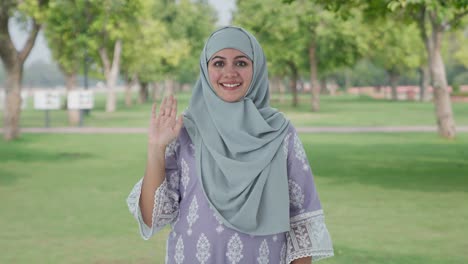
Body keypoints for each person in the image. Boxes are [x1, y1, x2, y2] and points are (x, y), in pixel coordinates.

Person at [127, 26, 334, 264]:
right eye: (218, 63)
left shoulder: (280, 133)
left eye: (241, 63)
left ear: (256, 68)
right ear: (205, 70)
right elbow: (153, 218)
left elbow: (302, 222)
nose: (230, 73)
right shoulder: (186, 131)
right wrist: (156, 148)